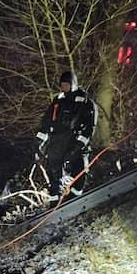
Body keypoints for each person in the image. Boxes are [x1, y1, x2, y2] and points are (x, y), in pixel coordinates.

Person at [34, 70, 97, 199]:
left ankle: (75, 197)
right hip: (57, 141)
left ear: (73, 84)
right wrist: (39, 142)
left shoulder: (83, 101)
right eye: (62, 84)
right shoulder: (57, 102)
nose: (64, 87)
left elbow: (89, 126)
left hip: (74, 141)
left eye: (66, 84)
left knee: (78, 168)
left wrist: (79, 145)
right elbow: (46, 122)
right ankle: (54, 200)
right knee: (53, 169)